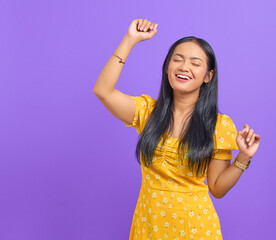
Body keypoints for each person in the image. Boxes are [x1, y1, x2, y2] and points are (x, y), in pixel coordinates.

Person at [94, 19, 261, 240]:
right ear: (167, 67)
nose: (184, 67)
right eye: (178, 60)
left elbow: (217, 189)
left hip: (197, 229)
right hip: (150, 225)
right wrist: (130, 40)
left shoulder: (219, 125)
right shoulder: (148, 113)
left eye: (195, 63)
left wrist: (244, 156)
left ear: (208, 76)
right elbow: (102, 90)